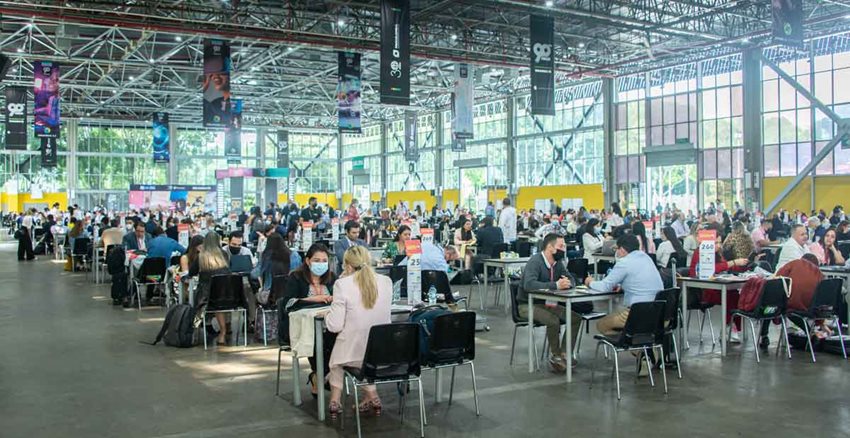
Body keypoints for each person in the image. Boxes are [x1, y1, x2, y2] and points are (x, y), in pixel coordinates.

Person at [325, 245, 392, 418]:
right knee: (363, 362)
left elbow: (334, 326)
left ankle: (335, 400)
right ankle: (371, 396)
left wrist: (327, 314)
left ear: (347, 266)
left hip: (353, 350)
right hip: (381, 350)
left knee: (336, 362)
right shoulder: (386, 282)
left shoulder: (342, 284)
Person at [518, 233, 581, 373]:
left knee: (575, 318)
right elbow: (529, 284)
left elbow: (571, 278)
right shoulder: (535, 262)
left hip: (547, 303)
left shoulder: (558, 263)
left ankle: (565, 353)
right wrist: (556, 285)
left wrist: (568, 282)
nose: (564, 248)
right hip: (527, 305)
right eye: (561, 246)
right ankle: (556, 355)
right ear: (550, 247)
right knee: (553, 321)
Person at [282, 243, 336, 397]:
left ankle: (323, 376)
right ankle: (323, 375)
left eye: (324, 260)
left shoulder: (332, 278)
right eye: (317, 260)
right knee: (317, 338)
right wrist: (312, 299)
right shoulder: (296, 277)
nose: (321, 264)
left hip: (329, 323)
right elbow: (288, 303)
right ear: (307, 261)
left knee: (338, 336)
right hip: (302, 325)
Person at [590, 234, 664, 335]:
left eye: (617, 249)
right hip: (659, 312)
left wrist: (590, 282)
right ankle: (637, 344)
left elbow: (605, 287)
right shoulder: (646, 258)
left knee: (602, 324)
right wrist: (623, 286)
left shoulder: (624, 263)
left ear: (623, 250)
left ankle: (627, 341)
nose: (617, 252)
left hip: (638, 313)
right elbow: (639, 280)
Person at [689, 231, 749, 342]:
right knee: (729, 295)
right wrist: (734, 262)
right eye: (716, 243)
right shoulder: (699, 253)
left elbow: (727, 267)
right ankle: (728, 326)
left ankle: (730, 325)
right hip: (702, 290)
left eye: (720, 242)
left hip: (718, 287)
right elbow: (714, 268)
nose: (719, 245)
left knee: (735, 294)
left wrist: (743, 266)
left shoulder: (718, 254)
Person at [189, 232, 232, 346]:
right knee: (219, 307)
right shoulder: (224, 254)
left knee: (197, 306)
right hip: (225, 295)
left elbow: (191, 272)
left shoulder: (201, 256)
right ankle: (224, 332)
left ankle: (195, 332)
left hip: (205, 296)